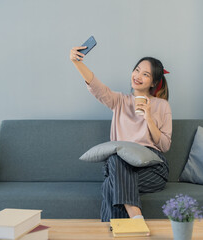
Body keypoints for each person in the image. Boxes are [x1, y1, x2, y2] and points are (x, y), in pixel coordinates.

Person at [69, 46, 172, 222]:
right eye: (137, 70)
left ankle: (116, 230)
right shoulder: (119, 101)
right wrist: (76, 62)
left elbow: (164, 146)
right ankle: (136, 217)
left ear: (153, 82)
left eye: (145, 74)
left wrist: (148, 117)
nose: (138, 76)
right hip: (120, 164)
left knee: (111, 185)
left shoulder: (162, 106)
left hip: (152, 167)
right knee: (116, 159)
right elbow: (97, 88)